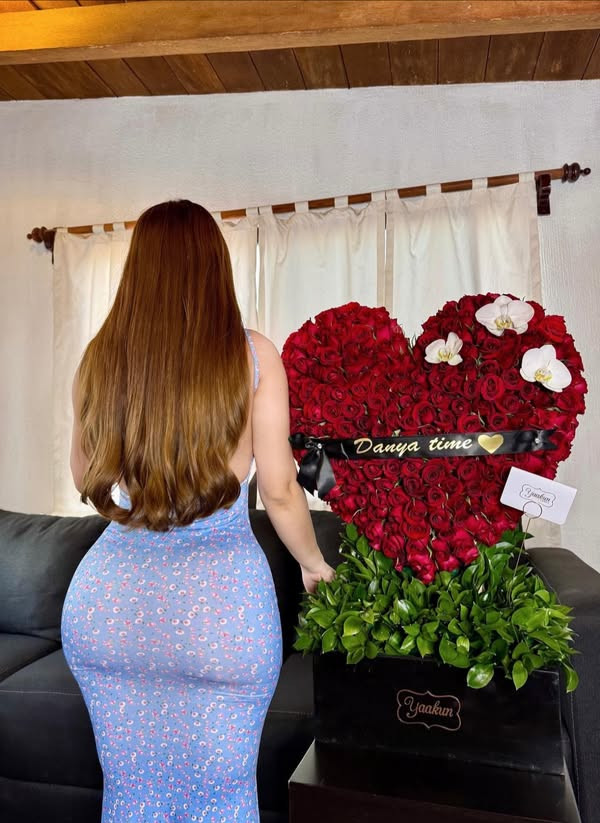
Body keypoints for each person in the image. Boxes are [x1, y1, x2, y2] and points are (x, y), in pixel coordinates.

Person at [61, 199, 335, 823]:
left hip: (109, 609)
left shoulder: (98, 360)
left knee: (131, 794)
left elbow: (84, 477)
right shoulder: (252, 355)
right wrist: (313, 564)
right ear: (215, 266)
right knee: (220, 797)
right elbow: (281, 488)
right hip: (219, 613)